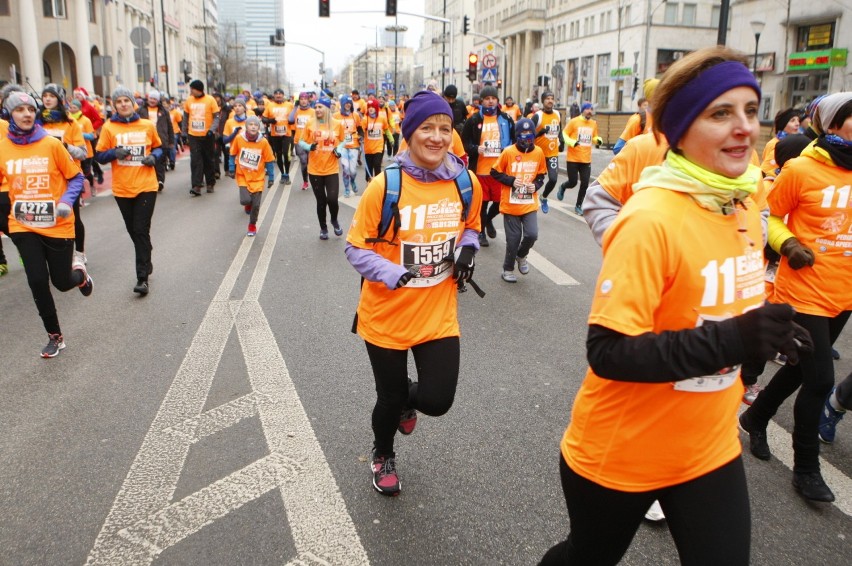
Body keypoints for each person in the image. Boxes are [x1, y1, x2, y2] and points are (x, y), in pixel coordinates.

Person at [540, 46, 812, 565]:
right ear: (682, 127)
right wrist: (734, 340)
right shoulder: (650, 219)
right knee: (586, 556)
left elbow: (719, 302)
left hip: (708, 445)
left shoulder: (744, 200)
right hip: (624, 449)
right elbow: (609, 352)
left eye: (750, 111)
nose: (743, 128)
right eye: (720, 113)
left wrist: (772, 331)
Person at [345, 89, 482, 496]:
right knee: (388, 400)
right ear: (409, 134)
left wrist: (468, 248)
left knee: (438, 399)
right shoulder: (384, 186)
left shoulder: (464, 181)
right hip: (386, 315)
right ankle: (383, 452)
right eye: (427, 128)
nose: (437, 137)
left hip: (437, 314)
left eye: (444, 128)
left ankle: (407, 399)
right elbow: (355, 246)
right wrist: (390, 271)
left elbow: (472, 225)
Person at [739, 91, 852, 503]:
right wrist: (788, 245)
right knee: (821, 379)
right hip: (806, 288)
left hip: (844, 291)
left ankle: (755, 416)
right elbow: (771, 218)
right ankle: (806, 468)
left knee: (804, 367)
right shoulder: (802, 167)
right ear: (832, 124)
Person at [0, 90, 93, 357]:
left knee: (62, 282)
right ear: (10, 115)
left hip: (57, 224)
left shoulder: (51, 144)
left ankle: (80, 275)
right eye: (20, 110)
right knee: (37, 280)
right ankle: (55, 336)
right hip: (22, 225)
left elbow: (75, 178)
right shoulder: (2, 148)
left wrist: (65, 202)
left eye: (30, 109)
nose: (27, 114)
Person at [95, 86, 163, 296]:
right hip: (122, 188)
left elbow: (159, 147)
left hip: (146, 185)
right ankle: (146, 253)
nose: (123, 104)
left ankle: (142, 278)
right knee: (134, 231)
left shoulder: (146, 125)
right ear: (114, 105)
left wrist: (154, 157)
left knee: (140, 229)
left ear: (133, 103)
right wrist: (114, 153)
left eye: (126, 100)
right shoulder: (109, 128)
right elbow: (99, 156)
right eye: (119, 101)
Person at [490, 117, 546, 282]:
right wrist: (511, 181)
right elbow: (495, 172)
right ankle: (508, 269)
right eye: (523, 134)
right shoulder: (508, 152)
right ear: (517, 135)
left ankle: (521, 256)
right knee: (513, 240)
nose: (526, 137)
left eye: (530, 134)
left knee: (532, 235)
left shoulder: (539, 153)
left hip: (529, 204)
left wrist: (535, 186)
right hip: (511, 204)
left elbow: (542, 175)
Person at [39, 84, 89, 265]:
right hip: (45, 177)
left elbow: (83, 153)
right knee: (47, 217)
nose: (47, 99)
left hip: (68, 176)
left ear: (59, 99)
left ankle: (80, 252)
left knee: (73, 216)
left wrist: (64, 146)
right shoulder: (37, 123)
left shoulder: (70, 123)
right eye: (44, 96)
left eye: (51, 96)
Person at [461, 85, 515, 247]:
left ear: (497, 100)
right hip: (480, 170)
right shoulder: (474, 120)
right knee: (482, 204)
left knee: (499, 204)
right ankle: (481, 232)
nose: (490, 101)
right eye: (487, 99)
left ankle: (488, 221)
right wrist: (475, 149)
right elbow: (465, 143)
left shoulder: (506, 119)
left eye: (493, 98)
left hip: (499, 171)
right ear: (481, 101)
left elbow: (514, 141)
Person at [299, 96, 345, 240]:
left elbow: (344, 141)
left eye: (320, 107)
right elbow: (300, 141)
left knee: (332, 199)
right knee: (321, 201)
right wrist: (309, 146)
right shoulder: (310, 123)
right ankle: (323, 228)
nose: (317, 110)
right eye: (316, 107)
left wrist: (339, 150)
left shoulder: (337, 124)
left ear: (327, 109)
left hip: (331, 168)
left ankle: (334, 220)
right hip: (315, 170)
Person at [228, 115, 274, 237]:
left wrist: (271, 177)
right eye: (250, 124)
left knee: (256, 205)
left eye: (255, 125)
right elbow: (232, 154)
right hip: (243, 175)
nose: (253, 127)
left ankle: (252, 225)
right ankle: (247, 204)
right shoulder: (239, 139)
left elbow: (269, 160)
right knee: (245, 200)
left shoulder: (263, 142)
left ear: (259, 127)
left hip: (258, 178)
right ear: (246, 127)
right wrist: (231, 168)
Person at [559, 102, 602, 215]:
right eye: (587, 109)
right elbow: (564, 134)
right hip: (573, 158)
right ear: (583, 110)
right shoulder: (574, 121)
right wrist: (572, 142)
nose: (589, 111)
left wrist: (598, 140)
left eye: (591, 109)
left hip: (586, 158)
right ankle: (563, 186)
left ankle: (578, 205)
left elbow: (594, 137)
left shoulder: (593, 123)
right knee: (573, 182)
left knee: (585, 183)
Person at [183, 80, 220, 196]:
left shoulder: (210, 100)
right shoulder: (189, 100)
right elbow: (185, 117)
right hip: (193, 135)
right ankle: (196, 185)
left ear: (198, 89)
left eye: (192, 89)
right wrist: (184, 133)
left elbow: (216, 117)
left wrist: (211, 130)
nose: (191, 91)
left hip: (207, 135)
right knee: (195, 160)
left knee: (208, 159)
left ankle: (210, 183)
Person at [531, 91, 564, 214]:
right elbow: (529, 134)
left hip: (552, 153)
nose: (550, 101)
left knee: (553, 179)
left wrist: (562, 140)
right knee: (532, 180)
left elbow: (559, 129)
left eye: (552, 98)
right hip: (539, 155)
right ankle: (530, 202)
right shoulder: (537, 116)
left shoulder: (557, 114)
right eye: (547, 99)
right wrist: (540, 132)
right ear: (543, 101)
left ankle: (544, 197)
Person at [137, 90, 175, 192]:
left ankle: (160, 181)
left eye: (155, 99)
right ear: (148, 98)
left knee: (159, 161)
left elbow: (170, 127)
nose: (152, 101)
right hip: (145, 139)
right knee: (148, 161)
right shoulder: (141, 110)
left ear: (158, 100)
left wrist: (171, 141)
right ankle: (148, 182)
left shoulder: (163, 111)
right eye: (151, 98)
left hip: (161, 139)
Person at [611, 80, 658, 155]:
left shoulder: (665, 119)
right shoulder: (638, 119)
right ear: (650, 97)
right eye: (661, 92)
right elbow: (618, 149)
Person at [262, 88, 294, 185]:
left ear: (283, 95)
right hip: (275, 134)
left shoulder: (289, 105)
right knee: (278, 155)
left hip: (287, 134)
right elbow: (264, 118)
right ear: (274, 96)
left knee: (286, 154)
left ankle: (287, 173)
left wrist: (291, 121)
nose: (278, 96)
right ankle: (283, 174)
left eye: (280, 94)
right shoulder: (270, 105)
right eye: (276, 94)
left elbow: (294, 116)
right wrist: (270, 121)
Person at [759, 107, 802, 177]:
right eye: (792, 120)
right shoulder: (773, 144)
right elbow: (765, 170)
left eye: (798, 120)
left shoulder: (798, 142)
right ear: (783, 124)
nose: (797, 123)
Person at [334, 95, 363, 197]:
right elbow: (333, 130)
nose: (348, 104)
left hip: (354, 145)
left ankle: (353, 181)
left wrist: (360, 137)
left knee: (353, 170)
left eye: (349, 103)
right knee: (346, 169)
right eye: (346, 103)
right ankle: (347, 188)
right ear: (342, 104)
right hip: (342, 147)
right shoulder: (336, 116)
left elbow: (360, 128)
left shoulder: (355, 115)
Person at [288, 91, 316, 190]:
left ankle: (314, 179)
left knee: (311, 162)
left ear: (308, 100)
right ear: (299, 100)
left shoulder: (313, 111)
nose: (303, 101)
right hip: (299, 141)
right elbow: (290, 120)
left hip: (311, 141)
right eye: (301, 99)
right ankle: (305, 181)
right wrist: (295, 107)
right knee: (304, 161)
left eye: (305, 99)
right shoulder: (296, 110)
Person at [363, 98, 391, 183]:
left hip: (378, 147)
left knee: (377, 165)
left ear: (376, 108)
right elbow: (361, 131)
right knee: (369, 169)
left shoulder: (382, 118)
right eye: (369, 107)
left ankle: (378, 184)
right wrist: (359, 137)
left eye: (372, 107)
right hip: (368, 149)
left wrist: (391, 138)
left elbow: (386, 129)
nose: (370, 108)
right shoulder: (365, 119)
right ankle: (369, 184)